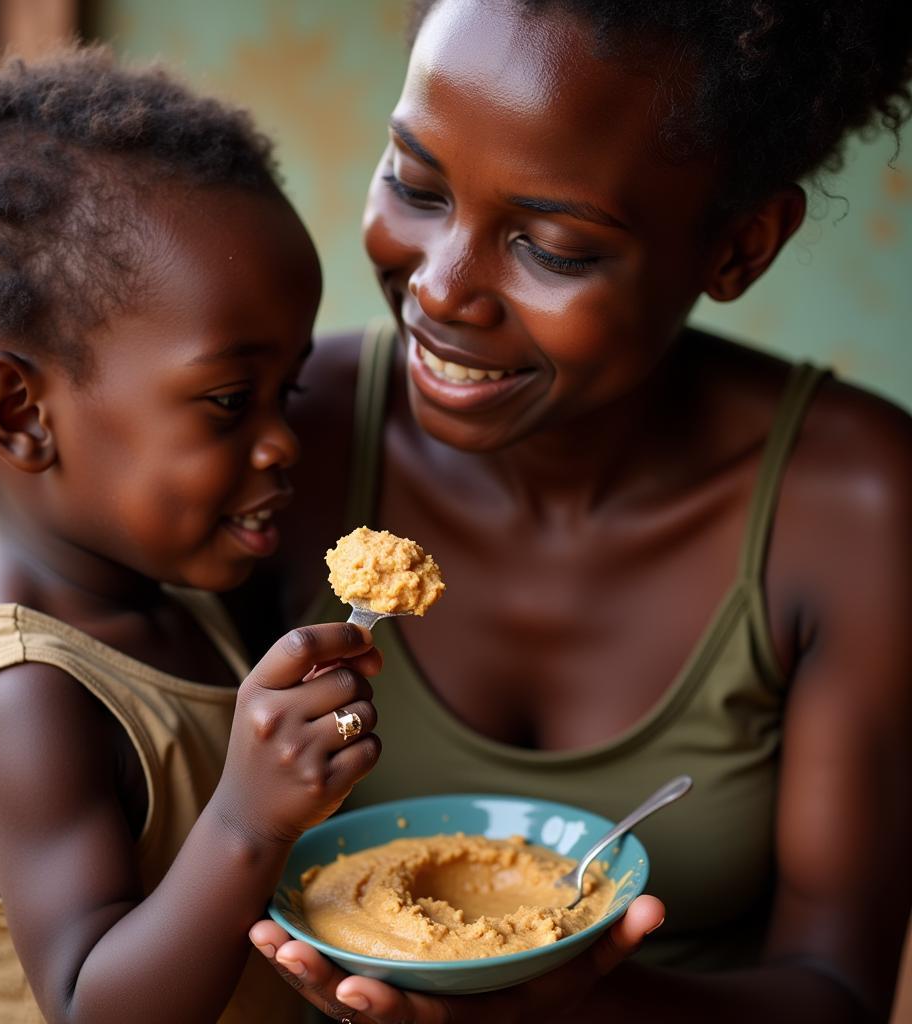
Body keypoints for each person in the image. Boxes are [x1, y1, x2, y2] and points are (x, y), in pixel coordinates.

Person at [240, 1, 912, 1021]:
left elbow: (837, 990)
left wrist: (559, 1004)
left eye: (551, 247)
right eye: (415, 185)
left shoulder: (854, 507)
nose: (439, 286)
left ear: (739, 246)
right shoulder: (285, 438)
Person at [0, 47, 389, 1023]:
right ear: (21, 412)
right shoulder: (23, 699)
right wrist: (247, 819)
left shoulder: (175, 601)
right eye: (228, 400)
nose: (283, 440)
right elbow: (92, 1006)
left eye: (284, 392)